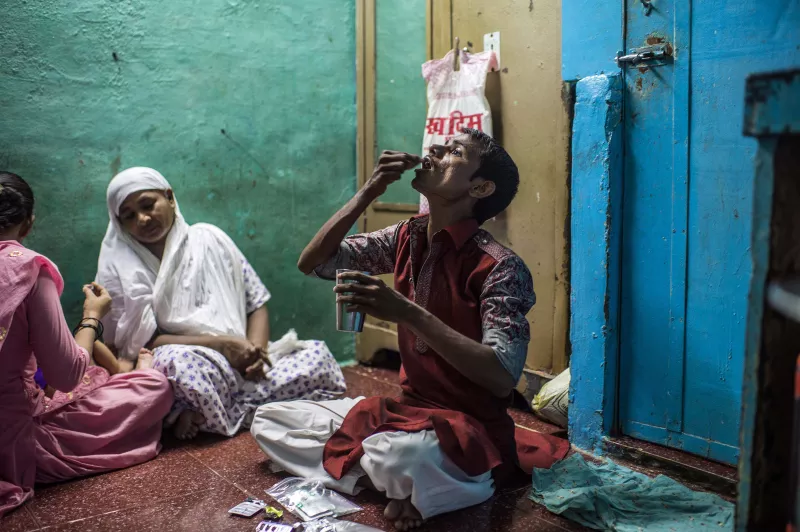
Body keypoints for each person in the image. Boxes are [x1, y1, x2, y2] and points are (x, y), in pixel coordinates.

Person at [250, 129, 570, 530]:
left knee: (402, 455)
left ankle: (424, 479)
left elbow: (501, 376)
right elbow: (315, 263)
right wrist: (370, 189)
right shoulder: (406, 236)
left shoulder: (501, 267)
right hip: (406, 414)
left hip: (466, 428)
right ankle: (408, 485)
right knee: (270, 419)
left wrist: (406, 311)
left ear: (480, 187)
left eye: (454, 152)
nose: (434, 149)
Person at [96, 167, 346, 441]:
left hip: (241, 360)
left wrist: (255, 354)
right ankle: (240, 406)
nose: (142, 219)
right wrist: (222, 345)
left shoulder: (209, 239)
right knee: (175, 364)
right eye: (129, 216)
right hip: (199, 360)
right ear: (120, 224)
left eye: (147, 205)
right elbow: (145, 343)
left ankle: (211, 412)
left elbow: (255, 302)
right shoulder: (124, 269)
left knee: (317, 357)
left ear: (169, 197)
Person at [0, 172, 173, 518]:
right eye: (129, 214)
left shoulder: (204, 242)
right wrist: (92, 316)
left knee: (97, 374)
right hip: (11, 440)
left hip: (32, 390)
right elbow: (66, 376)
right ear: (29, 223)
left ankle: (127, 373)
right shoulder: (28, 271)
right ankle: (136, 377)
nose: (142, 220)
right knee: (154, 385)